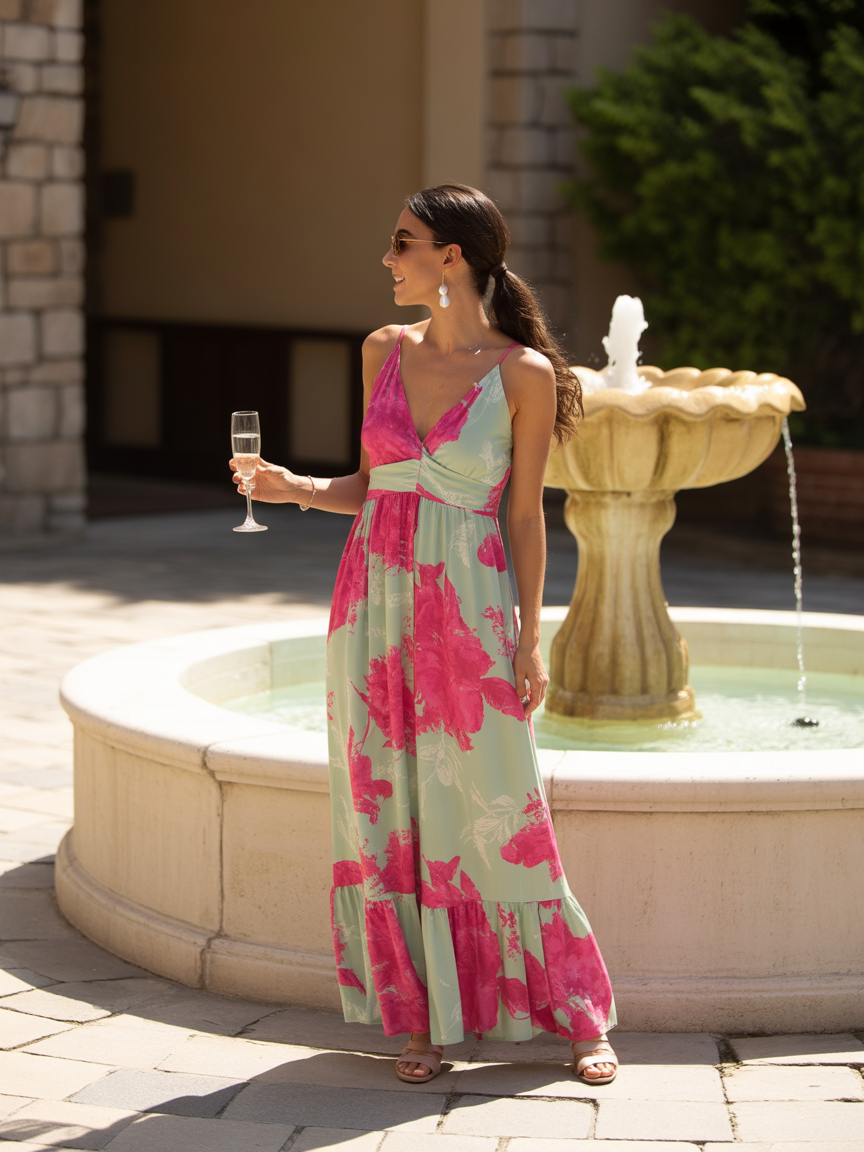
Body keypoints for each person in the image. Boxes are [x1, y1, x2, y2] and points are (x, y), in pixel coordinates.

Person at [231, 184, 617, 1085]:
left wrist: (526, 640)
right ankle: (422, 1019)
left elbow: (525, 518)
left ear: (453, 257)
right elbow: (377, 484)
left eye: (401, 243)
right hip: (371, 603)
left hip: (470, 609)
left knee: (500, 805)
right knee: (388, 813)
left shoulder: (523, 373)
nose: (386, 259)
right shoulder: (383, 351)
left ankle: (576, 1011)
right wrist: (297, 488)